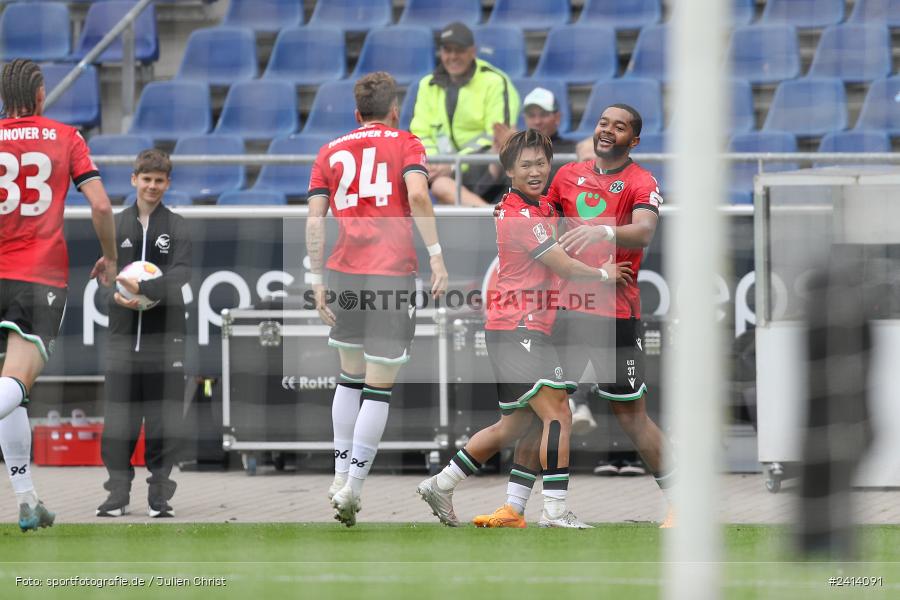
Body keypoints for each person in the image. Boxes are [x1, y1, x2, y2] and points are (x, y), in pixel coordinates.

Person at [416, 129, 632, 529]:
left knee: (516, 424)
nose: (535, 171)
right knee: (560, 415)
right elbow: (563, 265)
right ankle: (554, 510)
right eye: (525, 165)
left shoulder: (538, 204)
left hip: (515, 327)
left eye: (540, 163)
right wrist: (604, 273)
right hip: (520, 327)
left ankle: (444, 484)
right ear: (509, 173)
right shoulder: (520, 214)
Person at [475, 105, 677, 528]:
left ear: (633, 141)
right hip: (566, 311)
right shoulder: (568, 176)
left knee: (632, 416)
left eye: (619, 127)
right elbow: (530, 212)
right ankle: (514, 507)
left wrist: (603, 231)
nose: (608, 131)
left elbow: (644, 231)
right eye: (604, 123)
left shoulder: (642, 181)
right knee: (543, 411)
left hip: (616, 314)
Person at [307, 72, 448, 527]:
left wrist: (316, 276)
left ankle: (337, 476)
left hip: (344, 271)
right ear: (394, 110)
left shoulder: (330, 149)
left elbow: (314, 219)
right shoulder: (406, 142)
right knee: (379, 386)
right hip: (390, 273)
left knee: (349, 379)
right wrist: (437, 256)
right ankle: (354, 489)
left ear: (356, 113)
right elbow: (420, 194)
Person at [0, 59, 117, 531]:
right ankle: (26, 499)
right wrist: (110, 257)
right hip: (37, 276)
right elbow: (102, 204)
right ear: (42, 95)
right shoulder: (66, 136)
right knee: (18, 383)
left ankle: (28, 501)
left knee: (14, 395)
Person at [95, 149, 190, 518]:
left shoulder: (178, 226)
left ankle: (159, 496)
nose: (152, 186)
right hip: (121, 341)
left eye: (159, 180)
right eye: (146, 179)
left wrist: (146, 291)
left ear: (167, 184)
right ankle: (117, 494)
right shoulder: (114, 225)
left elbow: (182, 276)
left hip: (166, 340)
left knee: (164, 421)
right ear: (134, 179)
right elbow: (104, 279)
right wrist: (118, 295)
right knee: (119, 421)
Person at [409, 21, 519, 207]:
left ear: (472, 51)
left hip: (483, 162)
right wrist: (437, 162)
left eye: (459, 50)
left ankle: (491, 219)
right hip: (440, 168)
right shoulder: (428, 85)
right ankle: (488, 216)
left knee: (442, 186)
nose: (452, 56)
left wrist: (454, 164)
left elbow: (497, 137)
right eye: (447, 50)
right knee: (424, 180)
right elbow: (421, 132)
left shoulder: (495, 81)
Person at [475, 87, 578, 204]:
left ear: (557, 117)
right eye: (531, 115)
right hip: (504, 213)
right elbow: (482, 195)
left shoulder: (571, 150)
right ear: (525, 119)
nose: (537, 121)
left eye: (543, 115)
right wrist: (497, 162)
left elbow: (549, 188)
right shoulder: (515, 150)